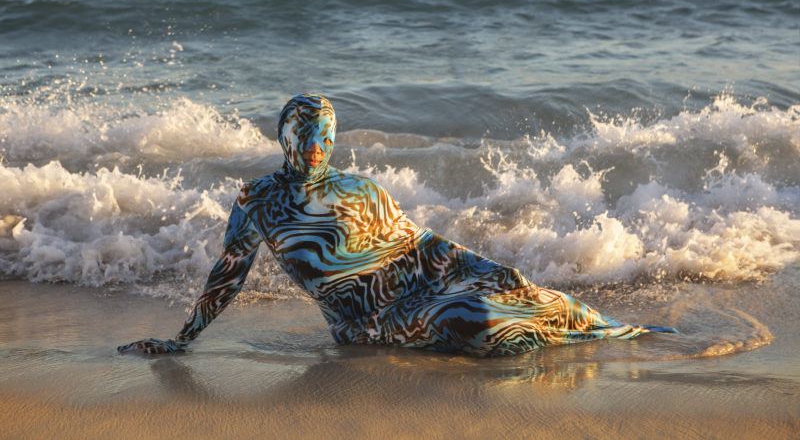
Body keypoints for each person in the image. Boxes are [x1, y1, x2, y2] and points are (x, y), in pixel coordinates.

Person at [118, 93, 675, 357]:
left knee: (519, 287)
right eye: (308, 136)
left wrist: (485, 265)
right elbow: (227, 277)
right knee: (475, 314)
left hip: (417, 289)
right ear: (286, 138)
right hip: (368, 322)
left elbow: (422, 247)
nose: (319, 147)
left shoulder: (361, 189)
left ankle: (616, 330)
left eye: (327, 136)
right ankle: (563, 345)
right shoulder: (258, 202)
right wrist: (181, 340)